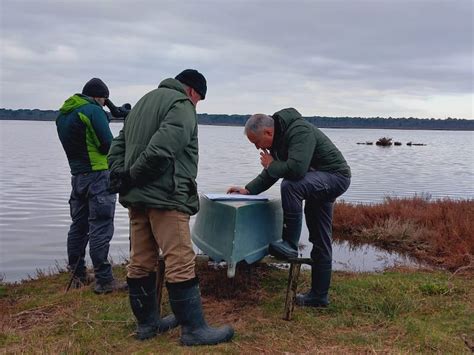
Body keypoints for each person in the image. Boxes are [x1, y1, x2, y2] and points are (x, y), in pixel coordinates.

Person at [107, 69, 234, 345]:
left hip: (137, 197)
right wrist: (134, 174)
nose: (196, 106)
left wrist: (122, 175)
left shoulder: (142, 103)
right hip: (166, 197)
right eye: (198, 100)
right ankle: (194, 330)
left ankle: (147, 324)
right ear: (192, 92)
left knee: (140, 260)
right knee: (180, 259)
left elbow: (117, 145)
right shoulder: (182, 106)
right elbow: (163, 148)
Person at [227, 108, 351, 307]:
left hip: (335, 177)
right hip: (319, 180)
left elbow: (295, 170)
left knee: (291, 186)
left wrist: (271, 165)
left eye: (256, 142)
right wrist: (249, 190)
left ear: (268, 132)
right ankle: (318, 297)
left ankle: (290, 244)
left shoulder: (298, 131)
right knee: (320, 237)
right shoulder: (278, 141)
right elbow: (272, 172)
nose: (257, 147)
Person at [56, 78, 127, 294]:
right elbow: (107, 145)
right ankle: (104, 280)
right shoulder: (93, 111)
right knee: (101, 225)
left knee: (78, 226)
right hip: (98, 177)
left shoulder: (64, 114)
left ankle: (77, 275)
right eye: (105, 100)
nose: (106, 104)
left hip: (77, 176)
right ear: (100, 97)